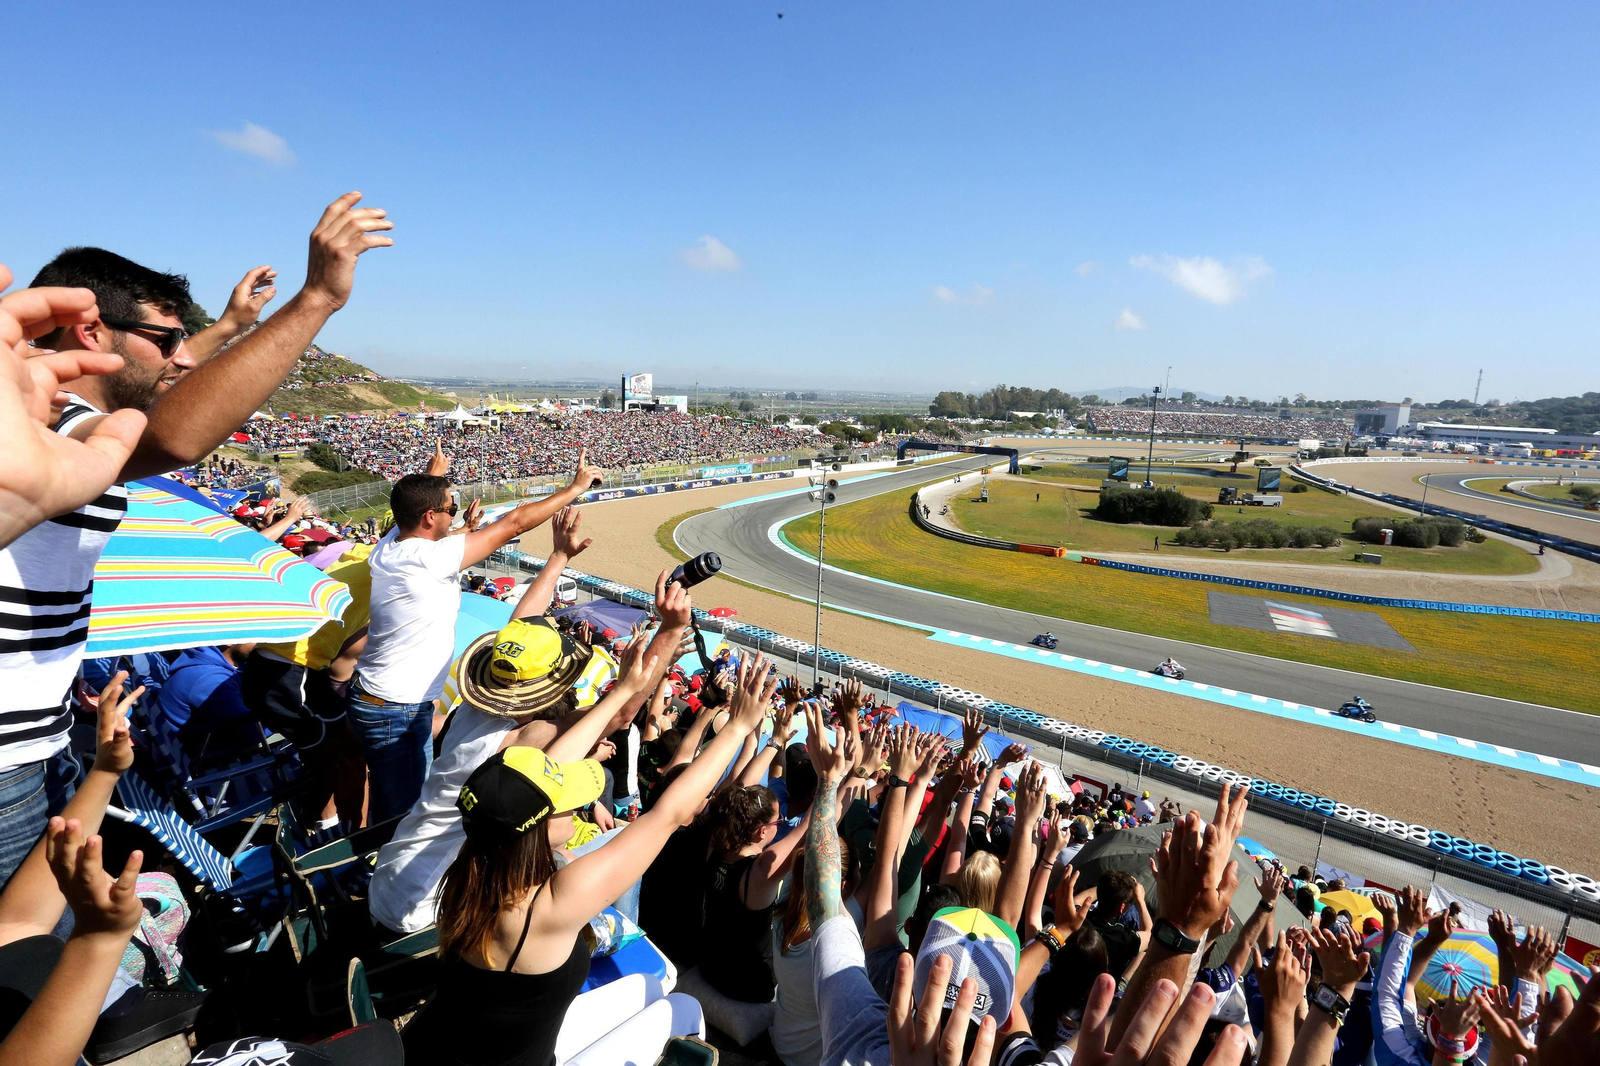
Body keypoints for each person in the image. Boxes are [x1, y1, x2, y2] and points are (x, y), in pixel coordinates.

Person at [0, 195, 392, 890]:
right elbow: (171, 433)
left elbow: (150, 382)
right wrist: (317, 299)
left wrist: (235, 327)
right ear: (90, 330)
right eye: (167, 339)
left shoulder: (45, 404)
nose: (181, 358)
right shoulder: (42, 418)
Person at [400, 652, 778, 1066]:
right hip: (516, 1057)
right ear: (538, 829)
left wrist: (625, 690)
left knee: (653, 990)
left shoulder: (473, 859)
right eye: (567, 806)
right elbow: (667, 815)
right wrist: (738, 728)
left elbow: (535, 776)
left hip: (464, 1043)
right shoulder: (550, 906)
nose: (579, 808)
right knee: (683, 1008)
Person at [346, 449, 602, 823]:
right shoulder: (430, 558)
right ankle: (376, 870)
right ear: (429, 517)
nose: (456, 513)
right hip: (395, 709)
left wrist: (433, 476)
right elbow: (514, 523)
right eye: (451, 508)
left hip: (379, 698)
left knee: (393, 796)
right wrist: (574, 488)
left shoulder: (391, 544)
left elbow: (412, 505)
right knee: (403, 814)